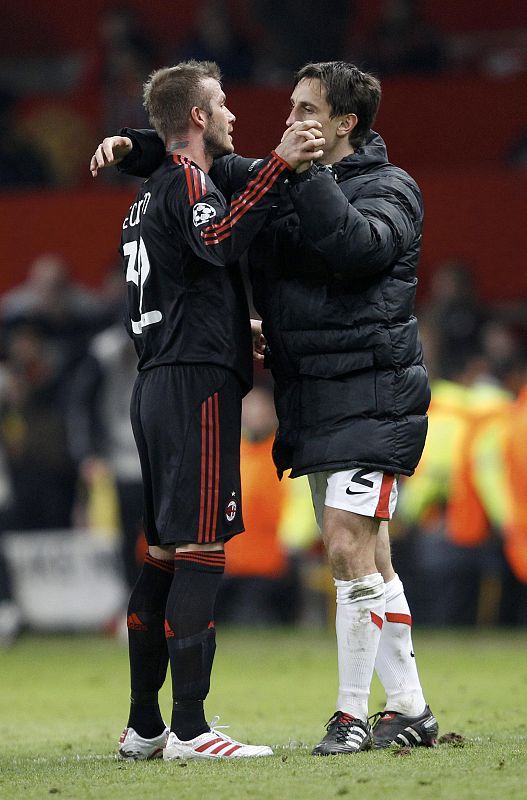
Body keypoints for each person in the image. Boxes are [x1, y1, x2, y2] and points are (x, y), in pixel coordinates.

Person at [90, 60, 436, 754]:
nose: (287, 123)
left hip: (373, 393)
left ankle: (348, 716)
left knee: (343, 548)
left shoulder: (390, 188)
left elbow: (354, 247)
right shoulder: (274, 176)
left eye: (307, 110)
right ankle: (411, 709)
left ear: (344, 124)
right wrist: (139, 143)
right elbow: (197, 156)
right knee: (369, 558)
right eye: (289, 108)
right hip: (308, 400)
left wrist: (296, 174)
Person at [90, 59, 323, 761]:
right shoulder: (191, 180)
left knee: (162, 555)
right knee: (200, 551)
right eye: (220, 104)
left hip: (156, 381)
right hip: (194, 387)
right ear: (196, 116)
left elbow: (189, 277)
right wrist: (278, 165)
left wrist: (229, 324)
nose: (231, 115)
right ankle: (190, 729)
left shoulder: (149, 192)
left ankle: (143, 726)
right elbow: (217, 241)